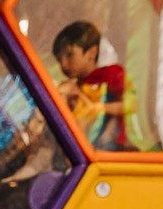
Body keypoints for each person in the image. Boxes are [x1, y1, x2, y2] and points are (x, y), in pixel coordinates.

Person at [53, 21, 135, 152]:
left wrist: (98, 107)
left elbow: (130, 105)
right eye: (59, 59)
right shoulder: (73, 87)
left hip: (111, 149)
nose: (63, 64)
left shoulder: (112, 74)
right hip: (86, 149)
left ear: (92, 52)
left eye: (69, 55)